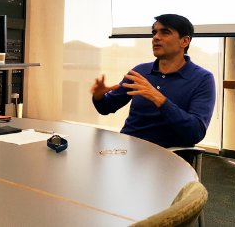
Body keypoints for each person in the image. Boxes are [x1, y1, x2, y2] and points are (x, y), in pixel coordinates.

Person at [91, 14, 216, 148]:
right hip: (128, 150)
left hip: (168, 157)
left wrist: (159, 99)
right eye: (154, 33)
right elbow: (106, 108)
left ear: (184, 41)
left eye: (165, 32)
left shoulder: (202, 78)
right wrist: (99, 97)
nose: (156, 37)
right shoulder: (140, 71)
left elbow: (196, 132)